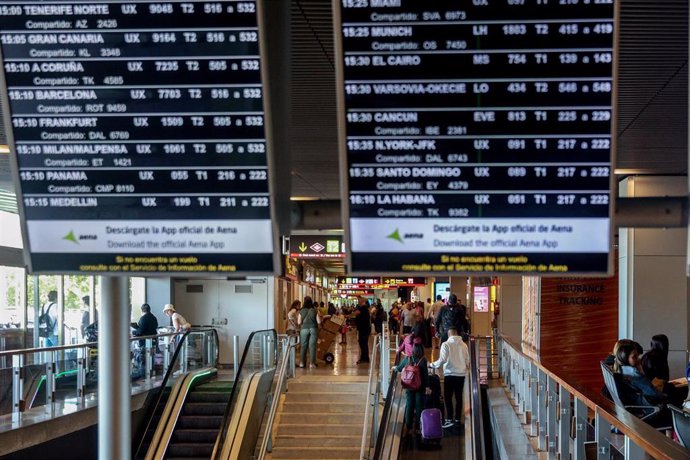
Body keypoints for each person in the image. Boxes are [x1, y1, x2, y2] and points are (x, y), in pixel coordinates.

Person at [430, 328, 470, 428]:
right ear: (457, 333)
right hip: (461, 374)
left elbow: (442, 360)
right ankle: (457, 419)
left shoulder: (446, 344)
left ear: (449, 335)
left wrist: (432, 365)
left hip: (450, 374)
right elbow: (467, 360)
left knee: (448, 397)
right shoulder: (464, 345)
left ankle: (449, 419)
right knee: (458, 397)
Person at [395, 341, 429, 436]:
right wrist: (427, 386)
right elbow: (425, 375)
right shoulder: (423, 360)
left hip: (409, 386)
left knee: (409, 406)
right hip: (420, 387)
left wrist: (395, 368)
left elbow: (399, 368)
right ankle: (417, 428)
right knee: (419, 406)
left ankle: (408, 427)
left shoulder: (408, 358)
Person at [298, 296, 320, 368]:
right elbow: (319, 321)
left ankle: (302, 363)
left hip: (304, 329)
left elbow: (299, 322)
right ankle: (312, 364)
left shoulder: (301, 311)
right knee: (312, 346)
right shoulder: (315, 310)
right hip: (313, 329)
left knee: (303, 346)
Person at [353, 296, 371, 364]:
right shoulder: (363, 308)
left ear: (362, 301)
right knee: (362, 343)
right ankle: (364, 358)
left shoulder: (363, 308)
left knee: (363, 343)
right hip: (363, 328)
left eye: (358, 300)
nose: (358, 301)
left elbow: (355, 313)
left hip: (364, 329)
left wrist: (346, 316)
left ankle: (365, 358)